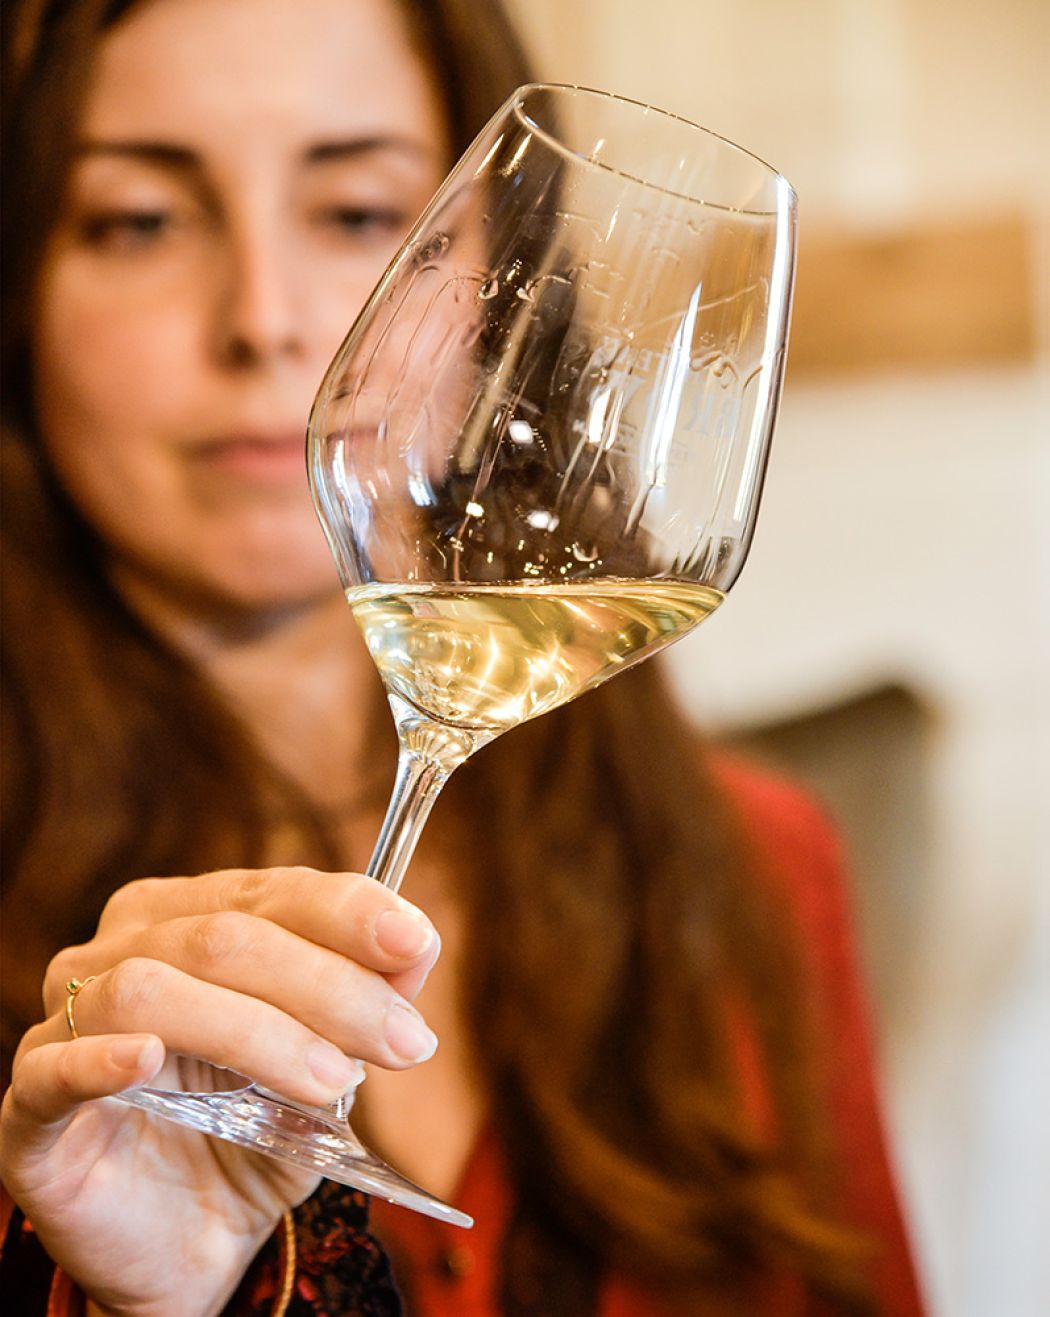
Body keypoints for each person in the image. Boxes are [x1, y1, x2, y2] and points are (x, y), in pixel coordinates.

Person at [0, 0, 926, 1313]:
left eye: (356, 212)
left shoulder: (760, 865)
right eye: (137, 221)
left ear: (510, 280)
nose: (262, 319)